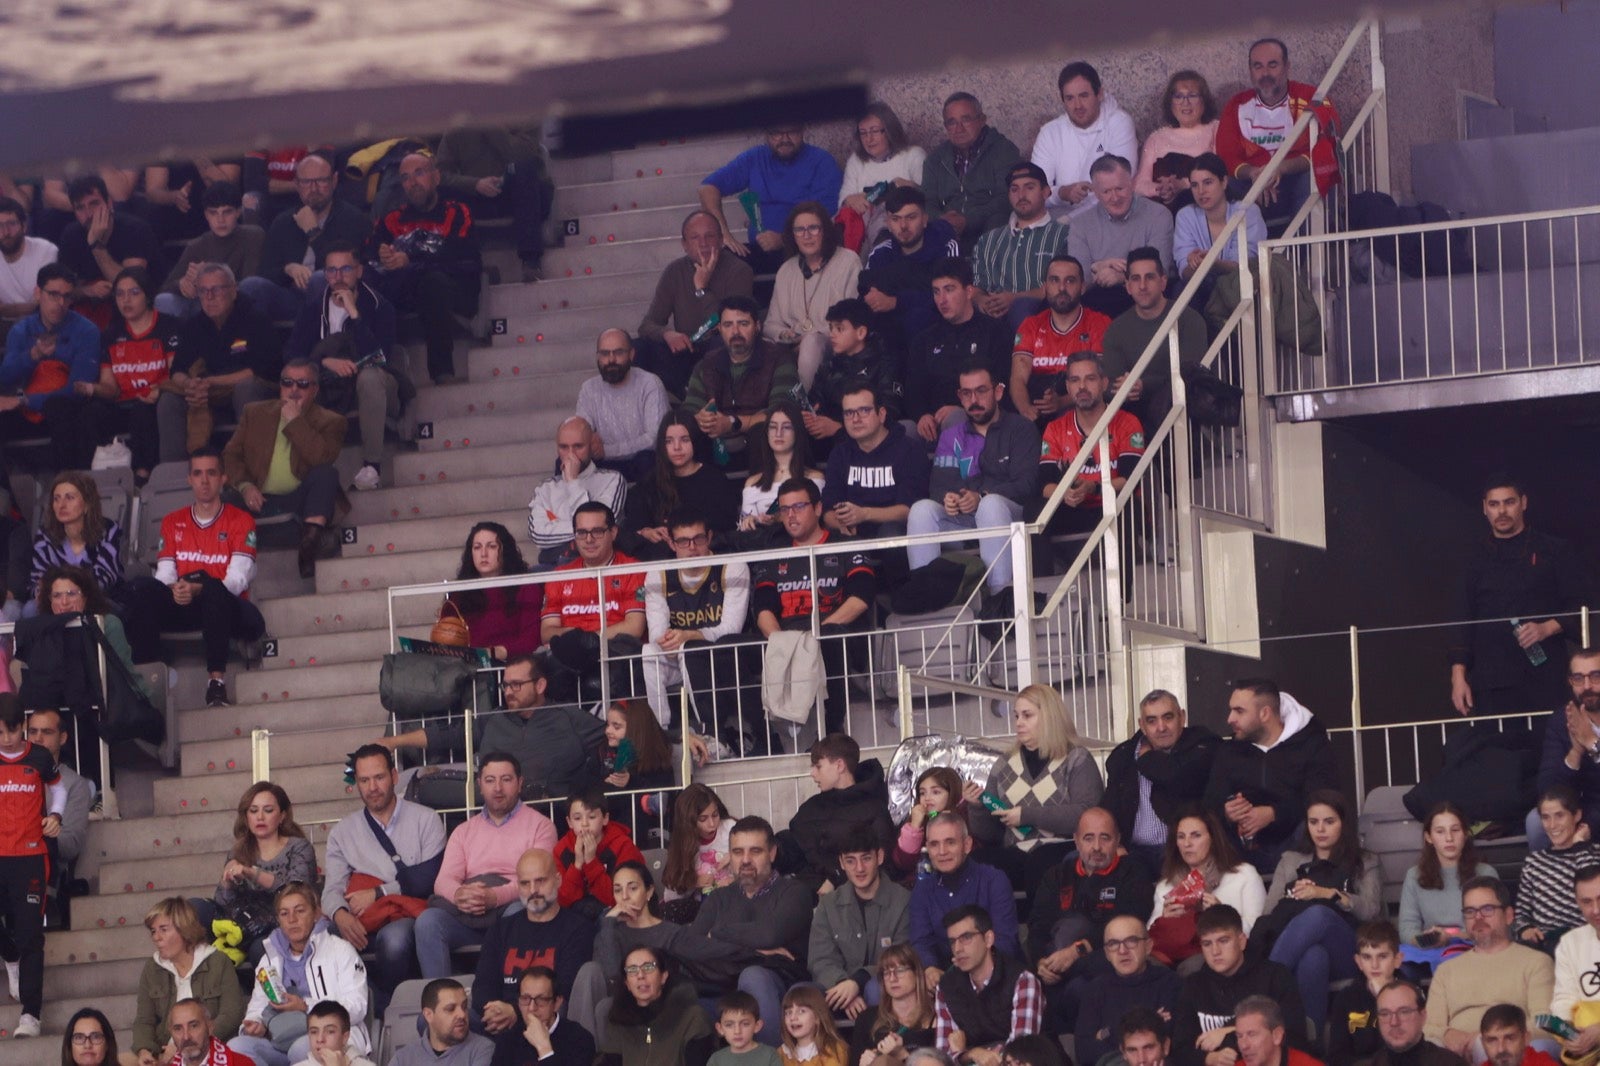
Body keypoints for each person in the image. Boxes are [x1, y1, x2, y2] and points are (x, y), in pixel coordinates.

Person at [124, 448, 265, 707]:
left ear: (223, 478)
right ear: (189, 479)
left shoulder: (241, 520)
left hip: (230, 608)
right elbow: (165, 574)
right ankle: (146, 682)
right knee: (141, 588)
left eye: (211, 473)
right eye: (198, 474)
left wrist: (199, 588)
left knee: (213, 588)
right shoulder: (172, 521)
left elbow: (237, 581)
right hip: (188, 604)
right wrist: (175, 590)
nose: (204, 480)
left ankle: (216, 684)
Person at [319, 744, 446, 1009]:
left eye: (379, 777)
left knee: (394, 941)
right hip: (363, 917)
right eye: (364, 780)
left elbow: (430, 878)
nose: (372, 787)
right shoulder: (342, 832)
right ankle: (374, 1007)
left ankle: (398, 1007)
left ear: (394, 776)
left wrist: (379, 892)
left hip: (408, 912)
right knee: (328, 938)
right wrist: (340, 914)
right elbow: (332, 888)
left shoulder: (426, 819)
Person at [378, 655, 602, 804]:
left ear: (540, 685)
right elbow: (447, 735)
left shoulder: (568, 717)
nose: (508, 692)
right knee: (419, 787)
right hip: (491, 805)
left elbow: (615, 736)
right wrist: (393, 742)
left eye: (516, 685)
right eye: (505, 685)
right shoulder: (494, 719)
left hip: (548, 806)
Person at [906, 360, 1039, 607]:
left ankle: (999, 600)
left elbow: (1027, 484)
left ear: (998, 392)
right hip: (965, 521)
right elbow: (938, 487)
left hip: (1013, 518)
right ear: (959, 395)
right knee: (921, 509)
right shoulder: (951, 435)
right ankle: (925, 599)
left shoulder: (1021, 429)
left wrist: (982, 496)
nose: (973, 399)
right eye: (966, 393)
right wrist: (950, 499)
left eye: (981, 391)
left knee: (990, 505)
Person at [414, 753, 560, 978]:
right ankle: (440, 1001)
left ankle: (515, 993)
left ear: (520, 783)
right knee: (428, 922)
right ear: (480, 785)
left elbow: (539, 882)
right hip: (467, 915)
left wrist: (494, 896)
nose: (498, 788)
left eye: (506, 779)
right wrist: (460, 894)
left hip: (510, 907)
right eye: (490, 780)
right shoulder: (464, 831)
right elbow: (443, 881)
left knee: (522, 909)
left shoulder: (541, 826)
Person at [1449, 475, 1582, 718]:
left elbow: (1582, 605)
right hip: (1491, 680)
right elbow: (1462, 619)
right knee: (1496, 751)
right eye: (1494, 504)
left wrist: (1547, 628)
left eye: (1509, 502)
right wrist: (1458, 676)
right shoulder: (1472, 559)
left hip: (1546, 675)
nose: (1502, 511)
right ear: (1484, 508)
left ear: (1523, 502)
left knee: (1550, 748)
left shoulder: (1554, 550)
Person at [751, 478, 876, 734]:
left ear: (818, 509)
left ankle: (833, 728)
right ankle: (763, 737)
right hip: (787, 635)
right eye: (784, 509)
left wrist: (814, 635)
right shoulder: (774, 554)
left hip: (835, 631)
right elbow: (762, 609)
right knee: (732, 647)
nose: (790, 515)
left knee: (828, 638)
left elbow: (861, 598)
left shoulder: (845, 545)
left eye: (798, 506)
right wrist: (782, 641)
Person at [283, 242, 410, 492]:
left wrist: (354, 313)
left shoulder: (379, 305)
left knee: (370, 377)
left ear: (359, 271)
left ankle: (372, 466)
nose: (337, 277)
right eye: (331, 271)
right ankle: (302, 474)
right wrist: (323, 361)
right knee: (297, 382)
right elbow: (291, 354)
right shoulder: (312, 309)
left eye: (345, 269)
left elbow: (381, 357)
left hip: (378, 383)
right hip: (331, 386)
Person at [1258, 791, 1384, 1037]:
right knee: (1313, 957)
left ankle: (1264, 989)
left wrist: (1327, 894)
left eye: (1329, 821)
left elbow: (1371, 910)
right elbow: (1269, 913)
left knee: (1318, 914)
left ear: (1344, 824)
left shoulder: (1365, 860)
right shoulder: (1291, 860)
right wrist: (1295, 896)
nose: (1320, 829)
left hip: (1351, 952)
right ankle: (1311, 1046)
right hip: (1300, 947)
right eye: (1313, 822)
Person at [967, 683, 1105, 896]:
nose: (1019, 723)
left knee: (1041, 862)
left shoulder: (1076, 759)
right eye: (1016, 716)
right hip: (1015, 851)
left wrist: (1026, 815)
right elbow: (991, 834)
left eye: (1027, 715)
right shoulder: (1003, 765)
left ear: (1049, 716)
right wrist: (977, 808)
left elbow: (1087, 814)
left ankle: (1039, 928)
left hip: (1064, 847)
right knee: (976, 863)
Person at [689, 816, 816, 1046]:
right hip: (723, 987)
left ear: (772, 853)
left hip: (780, 985)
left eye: (755, 851)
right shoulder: (718, 898)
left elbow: (769, 934)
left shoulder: (794, 893)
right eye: (737, 852)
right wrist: (758, 953)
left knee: (753, 975)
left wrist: (717, 934)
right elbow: (695, 947)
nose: (745, 860)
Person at [1027, 808, 1156, 1033]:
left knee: (1084, 984)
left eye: (1104, 838)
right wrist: (1041, 962)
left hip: (1105, 962)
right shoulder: (1056, 876)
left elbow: (1129, 924)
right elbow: (1038, 928)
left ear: (1117, 840)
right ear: (1076, 841)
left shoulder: (1133, 874)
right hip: (1054, 966)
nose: (1096, 847)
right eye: (1088, 838)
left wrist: (1076, 951)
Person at [222, 357, 346, 578]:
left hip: (299, 501)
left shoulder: (331, 421)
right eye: (287, 383)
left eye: (302, 384)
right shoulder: (255, 412)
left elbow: (320, 459)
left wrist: (295, 421)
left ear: (315, 390)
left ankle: (310, 545)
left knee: (327, 475)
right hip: (258, 498)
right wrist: (245, 486)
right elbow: (231, 455)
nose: (294, 389)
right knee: (223, 498)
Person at [365, 152, 481, 385]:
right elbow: (370, 250)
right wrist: (383, 254)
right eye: (406, 177)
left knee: (433, 282)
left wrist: (410, 259)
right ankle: (379, 373)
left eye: (419, 173)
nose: (413, 182)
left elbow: (459, 254)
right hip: (408, 290)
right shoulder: (391, 219)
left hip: (454, 287)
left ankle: (442, 372)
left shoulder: (457, 211)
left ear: (436, 177)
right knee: (370, 286)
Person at [641, 512, 757, 743]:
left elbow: (731, 628)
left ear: (710, 537)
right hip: (679, 657)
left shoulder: (731, 566)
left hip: (722, 661)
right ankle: (660, 732)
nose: (692, 547)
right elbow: (656, 634)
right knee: (649, 652)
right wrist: (673, 641)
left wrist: (691, 636)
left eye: (699, 539)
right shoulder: (658, 574)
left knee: (690, 650)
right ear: (672, 544)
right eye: (683, 541)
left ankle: (711, 733)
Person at [228, 882, 371, 1066]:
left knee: (301, 1048)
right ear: (278, 919)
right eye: (284, 913)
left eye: (300, 911)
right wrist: (255, 1024)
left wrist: (306, 1006)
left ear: (315, 914)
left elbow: (357, 1007)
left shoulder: (340, 950)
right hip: (280, 1039)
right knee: (237, 1047)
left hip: (325, 1038)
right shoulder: (269, 958)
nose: (292, 919)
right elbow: (257, 1007)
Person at [1204, 678, 1336, 874]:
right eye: (1231, 710)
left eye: (1239, 711)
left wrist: (1273, 814)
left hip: (1295, 844)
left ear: (1265, 713)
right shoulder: (1229, 751)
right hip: (1240, 851)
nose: (1230, 719)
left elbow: (1324, 800)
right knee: (1203, 828)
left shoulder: (1311, 744)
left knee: (1315, 823)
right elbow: (1210, 801)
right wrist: (1228, 812)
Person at [1424, 877, 1555, 1062]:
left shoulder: (1536, 962)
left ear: (1509, 915)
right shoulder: (1447, 970)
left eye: (1487, 909)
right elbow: (1428, 1026)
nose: (1478, 917)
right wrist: (1447, 1034)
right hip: (1456, 1054)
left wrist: (1486, 1038)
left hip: (1510, 1051)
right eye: (1470, 911)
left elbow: (1546, 1023)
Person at [1216, 39, 1340, 229]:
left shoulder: (1311, 97)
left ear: (1287, 66)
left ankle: (1304, 254)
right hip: (1253, 183)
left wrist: (1280, 168)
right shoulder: (1237, 105)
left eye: (1272, 65)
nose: (1265, 73)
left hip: (1295, 180)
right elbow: (1227, 156)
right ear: (1250, 70)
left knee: (1314, 178)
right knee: (1220, 183)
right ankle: (1240, 254)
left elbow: (1326, 146)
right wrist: (1254, 174)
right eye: (1258, 66)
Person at [162, 262, 281, 460]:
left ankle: (255, 462)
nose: (209, 298)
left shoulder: (255, 319)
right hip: (208, 394)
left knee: (246, 387)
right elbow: (177, 370)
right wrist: (190, 384)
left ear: (233, 291)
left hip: (254, 390)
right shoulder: (194, 325)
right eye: (203, 291)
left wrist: (210, 383)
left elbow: (260, 370)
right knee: (169, 400)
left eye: (216, 290)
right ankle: (175, 474)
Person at [473, 849, 597, 1040]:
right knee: (438, 1022)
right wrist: (494, 1011)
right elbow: (483, 983)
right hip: (499, 1019)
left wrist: (516, 1011)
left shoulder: (578, 929)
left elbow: (564, 989)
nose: (533, 890)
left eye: (540, 881)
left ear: (558, 880)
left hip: (547, 1020)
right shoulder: (501, 929)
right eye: (525, 883)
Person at [636, 211, 755, 399]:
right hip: (687, 349)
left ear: (721, 240)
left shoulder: (739, 271)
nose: (703, 244)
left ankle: (701, 398)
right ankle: (675, 398)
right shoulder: (675, 271)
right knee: (639, 347)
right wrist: (666, 334)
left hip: (722, 349)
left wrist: (702, 288)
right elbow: (647, 325)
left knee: (722, 344)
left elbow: (727, 326)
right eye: (695, 238)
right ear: (684, 245)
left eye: (709, 236)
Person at [538, 502, 648, 705]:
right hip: (569, 652)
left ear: (613, 532)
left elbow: (635, 627)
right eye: (581, 532)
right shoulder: (558, 576)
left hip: (614, 648)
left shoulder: (633, 569)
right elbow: (547, 631)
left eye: (597, 531)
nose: (588, 539)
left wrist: (591, 640)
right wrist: (578, 640)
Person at [698, 125, 843, 277]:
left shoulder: (822, 162)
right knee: (715, 261)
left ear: (802, 131)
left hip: (803, 252)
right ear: (767, 134)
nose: (784, 139)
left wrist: (784, 239)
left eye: (791, 131)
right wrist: (724, 234)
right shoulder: (755, 157)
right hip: (759, 251)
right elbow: (707, 188)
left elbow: (827, 221)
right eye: (776, 133)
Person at [1104, 690, 1221, 875]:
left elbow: (1178, 777)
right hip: (1134, 852)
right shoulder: (1123, 756)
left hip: (1182, 850)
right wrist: (1114, 845)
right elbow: (1109, 808)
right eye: (1151, 721)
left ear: (1182, 717)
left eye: (1168, 717)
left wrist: (1147, 758)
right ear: (1141, 725)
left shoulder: (1203, 744)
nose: (1161, 727)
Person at [1172, 905, 1305, 1066]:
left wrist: (1231, 1034)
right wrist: (1210, 1058)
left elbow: (1293, 1035)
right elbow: (1180, 1050)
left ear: (1242, 941)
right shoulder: (1193, 985)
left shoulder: (1274, 977)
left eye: (1223, 940)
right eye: (1207, 944)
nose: (1215, 951)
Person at [245, 154, 372, 323]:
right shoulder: (284, 221)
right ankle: (258, 348)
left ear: (334, 181)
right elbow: (265, 273)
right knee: (252, 286)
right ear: (297, 185)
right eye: (306, 182)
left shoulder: (353, 219)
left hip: (334, 297)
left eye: (321, 181)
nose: (313, 189)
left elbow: (343, 272)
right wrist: (288, 269)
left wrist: (313, 232)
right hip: (291, 298)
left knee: (319, 278)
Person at [805, 823, 912, 1017]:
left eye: (866, 858)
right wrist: (843, 985)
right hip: (838, 989)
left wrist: (858, 981)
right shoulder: (828, 905)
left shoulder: (903, 901)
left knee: (875, 988)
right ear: (842, 863)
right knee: (801, 995)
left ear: (879, 857)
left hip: (882, 986)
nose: (859, 868)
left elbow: (902, 957)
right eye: (851, 861)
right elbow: (820, 959)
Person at [0, 262, 103, 464]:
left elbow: (78, 388)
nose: (60, 303)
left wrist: (25, 400)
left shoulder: (87, 331)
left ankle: (67, 485)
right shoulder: (21, 330)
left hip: (66, 407)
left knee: (61, 408)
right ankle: (5, 491)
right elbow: (7, 380)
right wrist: (33, 355)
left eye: (67, 296)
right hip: (24, 400)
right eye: (53, 294)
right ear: (38, 293)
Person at [1101, 246, 1209, 432]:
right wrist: (1124, 388)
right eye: (1135, 279)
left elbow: (1193, 377)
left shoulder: (1189, 319)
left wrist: (1144, 385)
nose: (1142, 286)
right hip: (1133, 414)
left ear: (1163, 282)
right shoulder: (1116, 329)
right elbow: (1111, 384)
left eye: (1149, 277)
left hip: (1183, 410)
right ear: (1127, 286)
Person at [906, 259, 1014, 442]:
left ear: (969, 291)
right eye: (936, 292)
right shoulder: (924, 339)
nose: (942, 300)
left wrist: (964, 408)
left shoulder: (995, 332)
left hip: (979, 418)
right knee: (905, 430)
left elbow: (1002, 387)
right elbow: (913, 390)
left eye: (949, 289)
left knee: (956, 420)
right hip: (932, 425)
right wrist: (922, 416)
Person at [129, 898, 245, 1066]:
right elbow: (144, 1020)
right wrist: (145, 1050)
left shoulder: (218, 962)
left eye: (163, 929)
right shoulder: (152, 968)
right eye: (153, 931)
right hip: (163, 1053)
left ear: (185, 930)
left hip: (209, 1049)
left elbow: (231, 1015)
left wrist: (183, 1046)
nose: (156, 937)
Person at [208, 782, 316, 961]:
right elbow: (222, 904)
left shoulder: (299, 847)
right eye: (253, 811)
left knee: (262, 947)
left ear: (281, 816)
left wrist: (252, 873)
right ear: (246, 817)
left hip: (285, 923)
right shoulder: (237, 852)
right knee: (199, 909)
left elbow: (295, 890)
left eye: (268, 810)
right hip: (246, 924)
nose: (260, 817)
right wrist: (226, 881)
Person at [433, 125, 554, 284]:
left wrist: (491, 124)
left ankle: (531, 261)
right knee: (443, 191)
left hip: (521, 193)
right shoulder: (457, 126)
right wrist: (475, 184)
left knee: (525, 168)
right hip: (476, 195)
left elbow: (520, 154)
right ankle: (462, 268)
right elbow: (441, 175)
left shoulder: (523, 113)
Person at [682, 297, 799, 457]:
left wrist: (732, 423)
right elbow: (687, 415)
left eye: (743, 324)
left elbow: (781, 413)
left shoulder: (780, 359)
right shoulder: (706, 365)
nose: (735, 332)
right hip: (717, 444)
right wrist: (701, 419)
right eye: (728, 325)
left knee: (761, 434)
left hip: (763, 445)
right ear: (720, 329)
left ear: (757, 326)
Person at [909, 813, 1022, 978]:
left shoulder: (993, 880)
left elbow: (1005, 941)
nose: (942, 851)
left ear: (967, 844)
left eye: (950, 842)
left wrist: (966, 976)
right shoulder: (923, 888)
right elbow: (921, 941)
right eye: (934, 844)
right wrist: (930, 968)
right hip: (943, 978)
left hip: (997, 976)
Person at [1150, 808, 1266, 966]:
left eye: (1196, 835)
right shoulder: (1166, 885)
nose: (1187, 844)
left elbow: (1259, 932)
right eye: (1181, 837)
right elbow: (1149, 936)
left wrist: (1223, 916)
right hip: (1174, 957)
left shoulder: (1244, 875)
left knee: (1194, 966)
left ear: (1213, 839)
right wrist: (1164, 919)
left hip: (1226, 960)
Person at [97, 266, 180, 484]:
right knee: (90, 413)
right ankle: (89, 481)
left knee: (142, 408)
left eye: (134, 293)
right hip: (122, 402)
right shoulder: (111, 333)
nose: (126, 300)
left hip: (157, 400)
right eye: (120, 294)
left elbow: (177, 374)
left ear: (148, 295)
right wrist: (91, 389)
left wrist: (159, 389)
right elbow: (109, 385)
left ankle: (145, 474)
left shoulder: (169, 326)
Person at [765, 205, 862, 390]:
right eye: (799, 230)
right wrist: (785, 334)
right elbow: (770, 324)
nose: (806, 235)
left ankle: (803, 407)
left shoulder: (848, 261)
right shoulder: (786, 269)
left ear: (825, 230)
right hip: (791, 346)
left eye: (813, 228)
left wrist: (809, 337)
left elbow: (850, 321)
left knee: (811, 342)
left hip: (833, 345)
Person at [1066, 156, 1176, 317]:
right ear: (1095, 193)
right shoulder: (1080, 224)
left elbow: (1161, 269)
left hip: (1145, 298)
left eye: (1120, 189)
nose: (1115, 198)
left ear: (1132, 184)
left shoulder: (1159, 215)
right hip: (1096, 300)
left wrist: (1121, 277)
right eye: (1106, 191)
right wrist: (1098, 268)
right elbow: (1077, 279)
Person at [1008, 255, 1111, 427]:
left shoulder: (1099, 323)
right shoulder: (1030, 325)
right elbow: (1017, 379)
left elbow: (1099, 382)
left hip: (1078, 404)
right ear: (1046, 286)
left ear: (1083, 287)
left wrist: (1061, 402)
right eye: (1055, 280)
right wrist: (1026, 410)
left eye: (1070, 281)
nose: (1062, 288)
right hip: (1036, 403)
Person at [821, 380, 931, 539]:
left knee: (892, 534)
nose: (855, 419)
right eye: (849, 413)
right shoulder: (839, 454)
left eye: (864, 410)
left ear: (881, 414)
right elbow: (827, 510)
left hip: (895, 534)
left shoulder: (909, 450)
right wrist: (842, 524)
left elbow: (910, 510)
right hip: (851, 534)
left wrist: (864, 514)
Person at [932, 904, 1042, 1063]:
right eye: (952, 941)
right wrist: (972, 1054)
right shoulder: (946, 987)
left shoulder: (1023, 980)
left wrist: (966, 1052)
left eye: (966, 938)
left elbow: (1020, 1053)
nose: (957, 948)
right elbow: (942, 1055)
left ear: (988, 939)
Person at [1032, 62, 1139, 221]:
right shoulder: (1050, 132)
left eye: (1084, 96)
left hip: (1107, 216)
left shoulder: (1119, 123)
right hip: (1058, 216)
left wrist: (1070, 220)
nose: (1077, 106)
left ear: (1100, 94)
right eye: (1070, 98)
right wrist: (1062, 193)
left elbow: (1119, 184)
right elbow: (1035, 190)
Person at [969, 163, 1069, 332]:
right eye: (1014, 189)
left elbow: (1064, 287)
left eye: (1029, 187)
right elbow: (977, 287)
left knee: (1021, 308)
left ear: (1046, 192)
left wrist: (1014, 298)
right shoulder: (989, 240)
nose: (1021, 195)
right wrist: (981, 302)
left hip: (1042, 318)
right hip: (992, 318)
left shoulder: (1063, 235)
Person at [859, 186, 963, 347]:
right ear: (887, 222)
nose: (903, 226)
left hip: (938, 333)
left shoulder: (946, 247)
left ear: (925, 219)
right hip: (890, 334)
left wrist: (896, 301)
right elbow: (869, 296)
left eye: (911, 217)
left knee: (918, 318)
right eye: (895, 219)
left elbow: (953, 299)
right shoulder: (880, 253)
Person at [1074, 915, 1184, 1066]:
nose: (1122, 950)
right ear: (1106, 953)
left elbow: (1177, 1043)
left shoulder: (1171, 983)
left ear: (1148, 946)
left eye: (1131, 941)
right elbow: (1084, 1051)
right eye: (1113, 944)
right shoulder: (1095, 989)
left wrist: (1106, 1033)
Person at [56, 175, 162, 329]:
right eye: (80, 208)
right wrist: (87, 291)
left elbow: (133, 283)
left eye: (94, 203)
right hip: (92, 312)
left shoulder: (135, 229)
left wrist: (96, 247)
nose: (89, 213)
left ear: (109, 203)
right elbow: (63, 289)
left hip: (142, 304)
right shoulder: (70, 235)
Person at [627, 413, 741, 555]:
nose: (677, 447)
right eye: (669, 441)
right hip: (663, 558)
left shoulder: (714, 479)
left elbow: (727, 527)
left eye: (684, 440)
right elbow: (633, 527)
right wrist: (647, 532)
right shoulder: (650, 483)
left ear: (695, 440)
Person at [1398, 802, 1498, 964]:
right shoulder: (1414, 876)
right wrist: (1429, 939)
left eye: (1455, 830)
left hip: (1472, 946)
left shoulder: (1485, 873)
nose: (1449, 838)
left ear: (1465, 834)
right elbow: (1407, 928)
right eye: (1440, 831)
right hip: (1430, 948)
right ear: (1429, 837)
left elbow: (1493, 925)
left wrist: (1452, 937)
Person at [922, 93, 1024, 249]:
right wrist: (943, 220)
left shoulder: (1004, 150)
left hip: (988, 226)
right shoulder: (936, 159)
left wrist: (967, 220)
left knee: (998, 222)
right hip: (946, 229)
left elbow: (1008, 197)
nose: (959, 128)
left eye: (966, 119)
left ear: (982, 120)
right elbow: (927, 201)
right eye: (951, 122)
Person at [527, 415, 629, 568]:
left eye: (578, 446)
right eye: (563, 447)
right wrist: (583, 531)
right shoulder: (545, 488)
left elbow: (599, 529)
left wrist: (573, 483)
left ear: (591, 446)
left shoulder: (612, 480)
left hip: (599, 564)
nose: (570, 454)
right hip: (554, 564)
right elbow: (537, 535)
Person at [804, 298, 903, 453]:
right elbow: (814, 401)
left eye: (840, 329)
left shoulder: (884, 363)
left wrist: (839, 429)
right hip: (827, 441)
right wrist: (810, 417)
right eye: (831, 328)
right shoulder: (829, 365)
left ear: (861, 332)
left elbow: (890, 413)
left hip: (870, 444)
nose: (832, 335)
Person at [157, 182, 264, 319]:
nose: (220, 220)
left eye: (227, 212)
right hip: (203, 306)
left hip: (236, 304)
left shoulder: (253, 236)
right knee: (165, 300)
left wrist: (211, 275)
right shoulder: (196, 245)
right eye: (213, 213)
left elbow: (250, 283)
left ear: (238, 212)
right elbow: (165, 288)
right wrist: (182, 284)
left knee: (249, 287)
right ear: (206, 215)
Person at [577, 329, 671, 482]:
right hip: (604, 465)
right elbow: (581, 433)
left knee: (648, 460)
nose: (611, 360)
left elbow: (655, 438)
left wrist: (607, 451)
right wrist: (588, 439)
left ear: (631, 354)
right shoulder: (589, 389)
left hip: (640, 462)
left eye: (618, 352)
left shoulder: (650, 383)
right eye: (605, 354)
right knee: (568, 461)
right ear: (598, 357)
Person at [597, 945, 716, 1066]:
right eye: (632, 970)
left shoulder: (692, 1017)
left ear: (663, 976)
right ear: (627, 983)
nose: (640, 975)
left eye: (648, 967)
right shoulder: (619, 1021)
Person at [440, 523, 542, 662]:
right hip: (468, 669)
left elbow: (531, 640)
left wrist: (496, 652)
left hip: (512, 667)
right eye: (477, 547)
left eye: (492, 546)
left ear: (505, 551)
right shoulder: (458, 593)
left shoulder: (526, 587)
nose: (483, 554)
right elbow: (446, 642)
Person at [26, 470, 126, 611]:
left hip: (100, 600)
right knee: (30, 609)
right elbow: (37, 583)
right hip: (56, 603)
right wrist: (53, 595)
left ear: (87, 504)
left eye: (70, 498)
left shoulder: (108, 530)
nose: (62, 505)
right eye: (56, 499)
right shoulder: (45, 535)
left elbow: (105, 579)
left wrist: (70, 594)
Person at [1531, 651, 1600, 849]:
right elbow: (1547, 788)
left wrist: (1593, 743)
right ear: (1571, 682)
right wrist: (1576, 752)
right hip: (1579, 808)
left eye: (1595, 676)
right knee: (1536, 823)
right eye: (1579, 678)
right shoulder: (1562, 721)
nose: (1587, 686)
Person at [1517, 787, 1600, 951]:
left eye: (1559, 815)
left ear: (1576, 815)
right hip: (1547, 946)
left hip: (1589, 943)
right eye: (1546, 818)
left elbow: (1591, 883)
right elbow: (1521, 914)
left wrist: (1579, 845)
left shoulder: (1595, 853)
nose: (1552, 825)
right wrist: (1525, 930)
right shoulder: (1534, 862)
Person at [840, 103, 927, 249]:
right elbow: (843, 203)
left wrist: (911, 187)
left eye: (874, 131)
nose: (869, 139)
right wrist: (851, 200)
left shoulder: (913, 155)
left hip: (902, 229)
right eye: (863, 133)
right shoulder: (856, 160)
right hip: (862, 232)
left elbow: (929, 198)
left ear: (889, 130)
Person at [554, 785, 645, 919]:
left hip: (616, 915)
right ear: (569, 822)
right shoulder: (561, 849)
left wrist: (591, 862)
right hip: (576, 918)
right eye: (577, 818)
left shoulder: (623, 846)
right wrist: (578, 864)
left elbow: (624, 900)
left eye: (591, 817)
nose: (584, 824)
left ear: (605, 818)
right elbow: (562, 902)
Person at [1174, 154, 1268, 283]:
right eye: (1195, 185)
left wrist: (1211, 263)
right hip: (1200, 286)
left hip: (1241, 285)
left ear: (1224, 182)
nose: (1201, 191)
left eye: (1208, 182)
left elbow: (1245, 265)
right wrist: (1193, 264)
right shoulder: (1185, 216)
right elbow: (1184, 270)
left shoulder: (1248, 211)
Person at [738, 402, 824, 538]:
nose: (778, 433)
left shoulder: (815, 478)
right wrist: (751, 522)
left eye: (787, 427)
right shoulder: (752, 483)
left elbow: (813, 523)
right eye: (773, 427)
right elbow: (747, 532)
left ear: (798, 432)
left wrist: (777, 519)